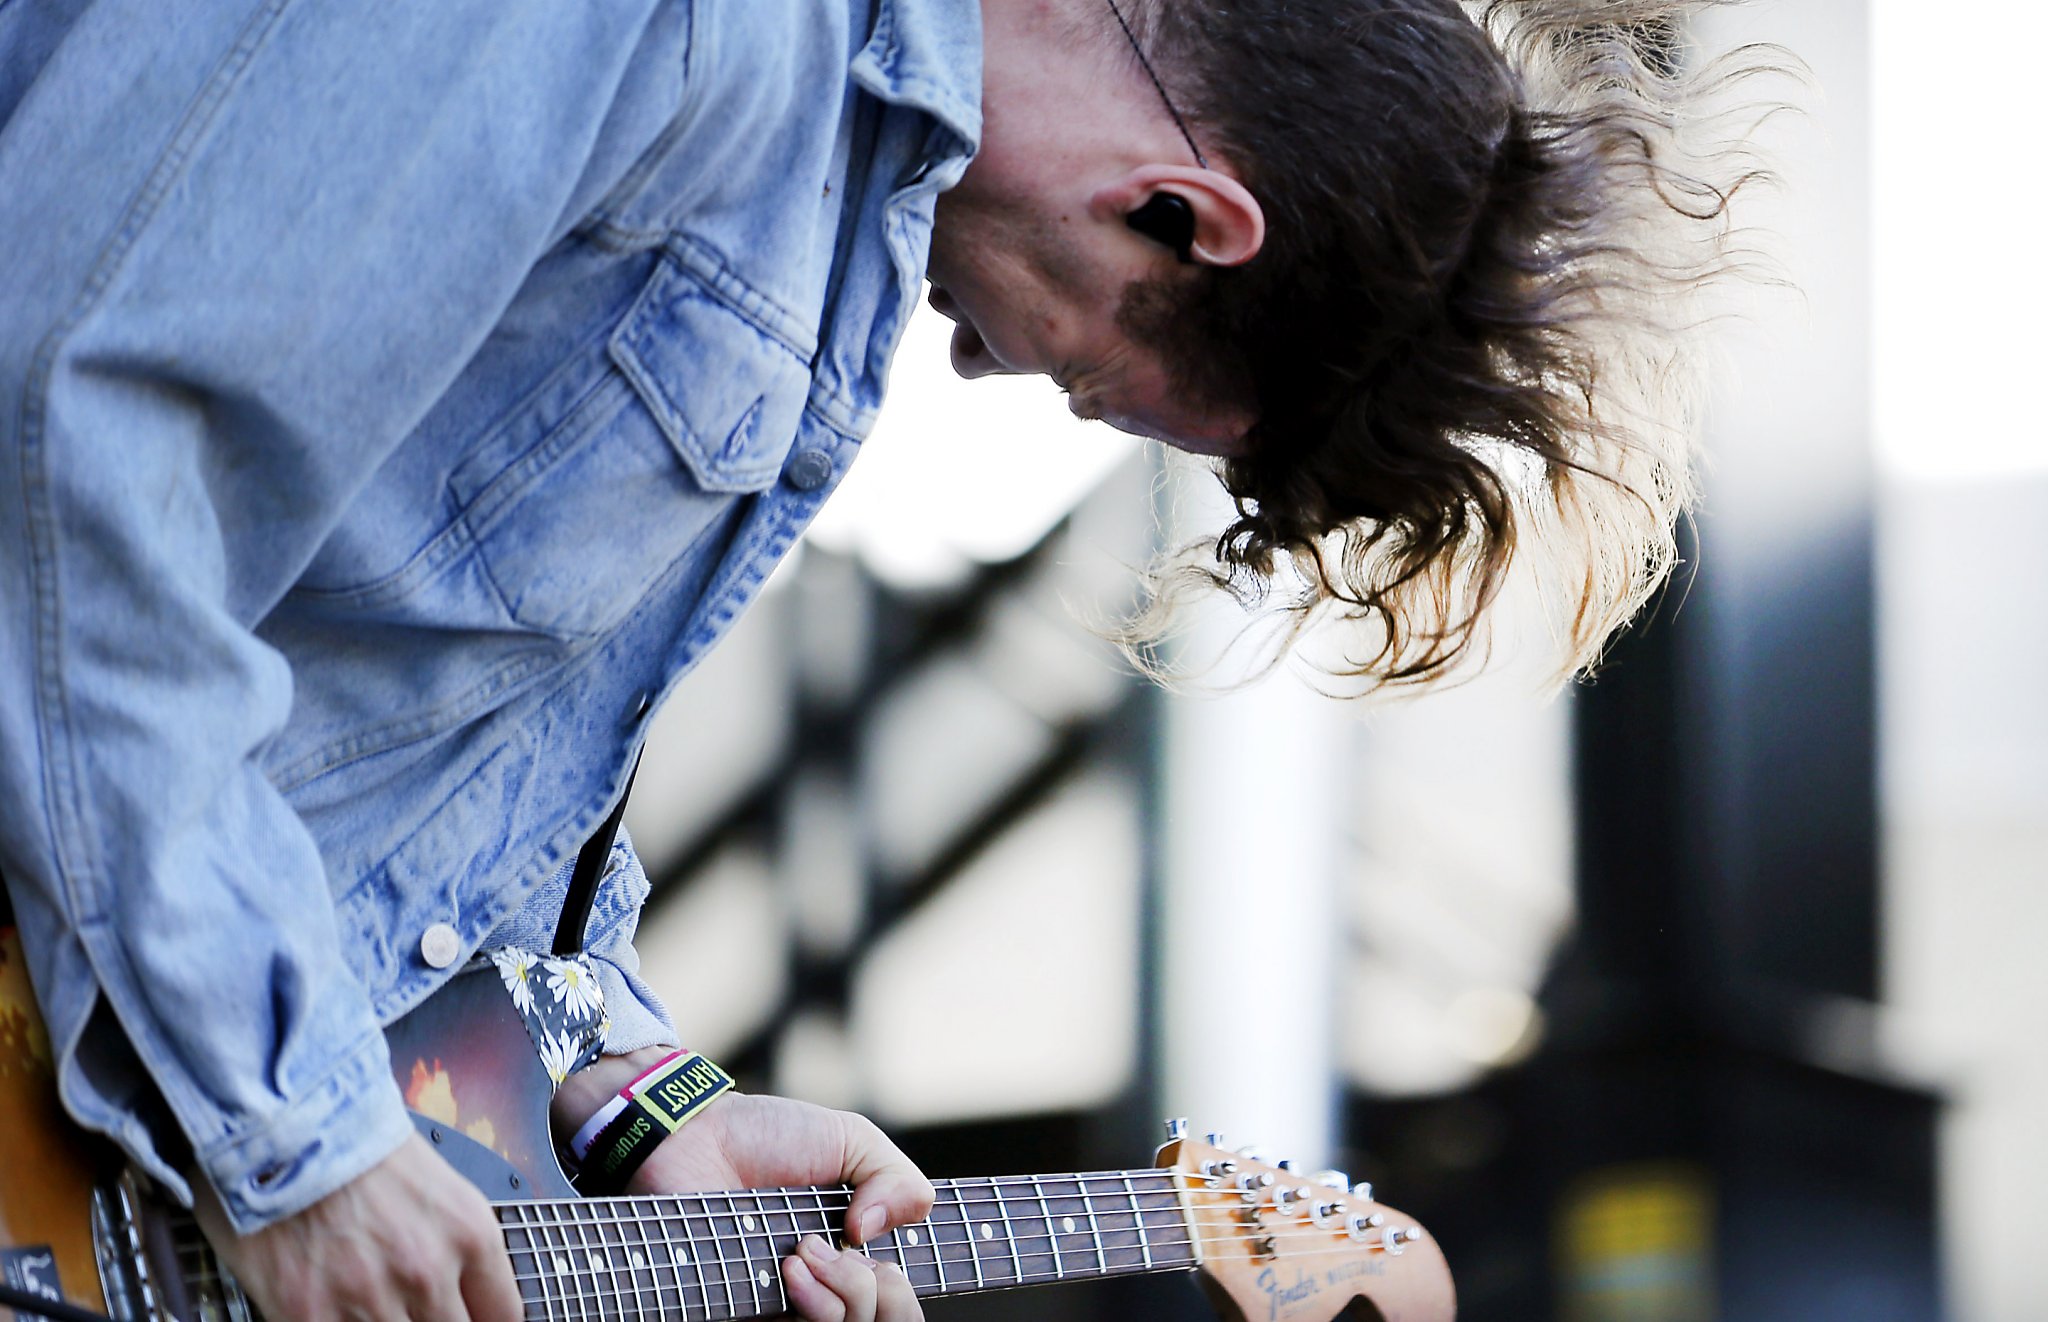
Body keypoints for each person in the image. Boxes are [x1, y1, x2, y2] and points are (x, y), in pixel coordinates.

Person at [0, 0, 1764, 1318]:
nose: (1005, 380)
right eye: (1101, 385)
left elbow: (411, 754)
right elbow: (69, 436)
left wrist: (624, 1104)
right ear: (1187, 213)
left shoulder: (829, 185)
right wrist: (294, 1137)